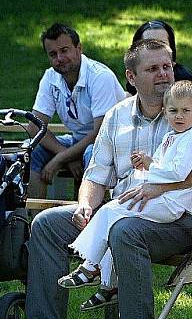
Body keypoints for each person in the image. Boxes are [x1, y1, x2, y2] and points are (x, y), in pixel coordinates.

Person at [10, 38, 192, 319]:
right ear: (131, 76)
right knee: (47, 224)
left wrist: (162, 187)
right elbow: (96, 175)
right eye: (152, 69)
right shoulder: (117, 116)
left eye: (166, 66)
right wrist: (85, 204)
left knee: (125, 230)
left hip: (184, 217)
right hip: (127, 208)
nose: (163, 75)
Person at [57, 81, 192, 312]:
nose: (179, 116)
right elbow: (160, 168)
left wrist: (151, 165)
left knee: (111, 212)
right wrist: (145, 164)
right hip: (161, 198)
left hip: (172, 204)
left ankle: (90, 267)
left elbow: (178, 172)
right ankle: (108, 285)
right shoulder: (173, 137)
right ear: (165, 112)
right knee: (114, 217)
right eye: (173, 110)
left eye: (186, 111)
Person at [28, 22, 126, 199]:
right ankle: (34, 222)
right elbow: (35, 127)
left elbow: (100, 134)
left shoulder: (99, 76)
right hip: (78, 141)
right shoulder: (50, 77)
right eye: (53, 54)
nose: (59, 58)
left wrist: (61, 158)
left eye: (64, 50)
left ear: (78, 48)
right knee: (35, 153)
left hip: (113, 143)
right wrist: (66, 156)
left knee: (91, 154)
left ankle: (87, 219)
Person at [126, 20, 192, 95]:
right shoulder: (136, 76)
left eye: (162, 45)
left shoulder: (183, 77)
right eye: (150, 46)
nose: (157, 50)